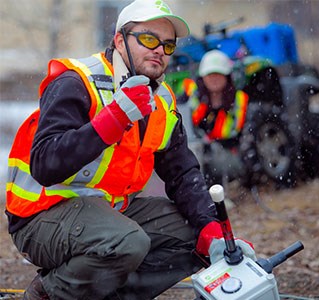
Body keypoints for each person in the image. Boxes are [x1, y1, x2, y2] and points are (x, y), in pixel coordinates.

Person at [5, 1, 256, 299]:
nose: (159, 50)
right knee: (128, 242)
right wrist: (113, 120)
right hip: (41, 218)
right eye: (149, 39)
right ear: (120, 40)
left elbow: (182, 172)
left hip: (108, 213)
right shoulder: (77, 81)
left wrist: (212, 231)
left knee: (193, 236)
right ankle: (48, 293)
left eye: (168, 44)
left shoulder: (161, 101)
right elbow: (46, 165)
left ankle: (106, 294)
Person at [179, 50, 249, 188]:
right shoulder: (192, 96)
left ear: (227, 76)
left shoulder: (239, 100)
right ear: (202, 77)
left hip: (227, 152)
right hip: (197, 149)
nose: (214, 78)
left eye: (218, 74)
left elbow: (241, 134)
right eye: (210, 74)